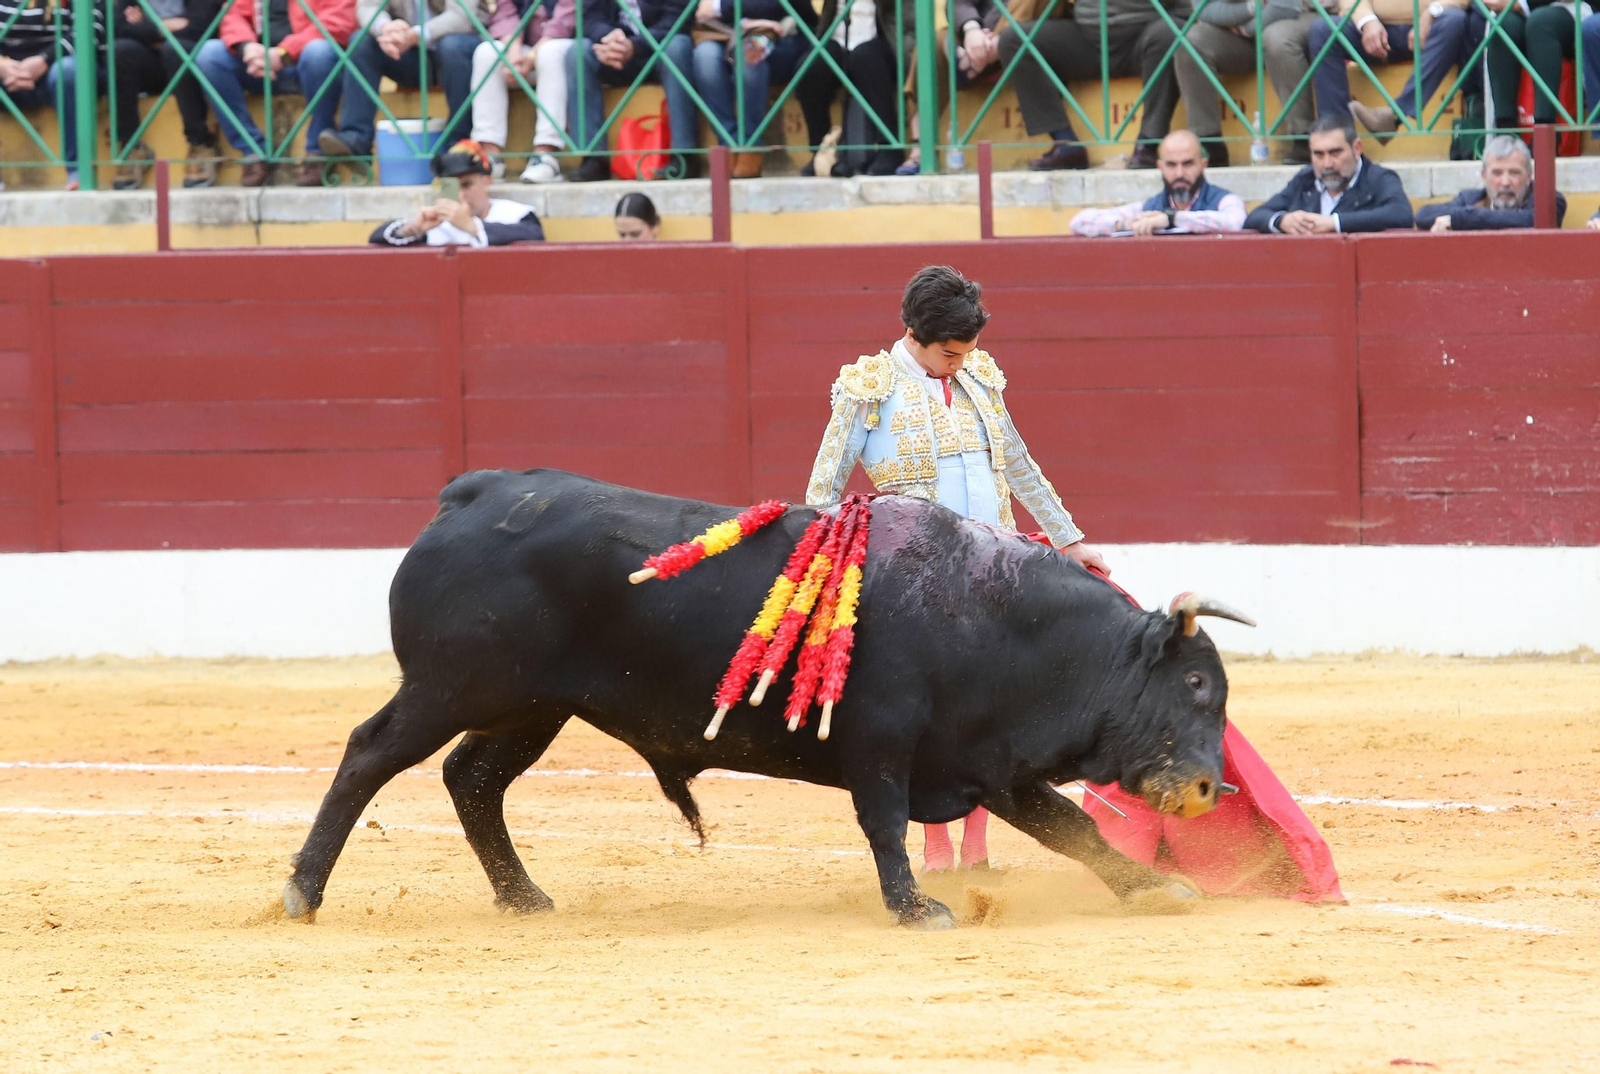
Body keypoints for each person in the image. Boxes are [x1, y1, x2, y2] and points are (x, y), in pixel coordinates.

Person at [805, 266, 1107, 873]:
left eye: (967, 352)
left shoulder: (979, 377)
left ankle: (977, 850)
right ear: (914, 334)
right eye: (950, 353)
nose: (960, 364)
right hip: (917, 579)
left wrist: (1070, 540)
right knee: (931, 716)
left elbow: (1018, 464)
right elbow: (823, 491)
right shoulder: (869, 388)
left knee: (990, 709)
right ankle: (937, 849)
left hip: (995, 568)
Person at [996, 0, 1185, 171]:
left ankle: (1148, 144)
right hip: (1087, 38)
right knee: (1014, 40)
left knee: (1171, 33)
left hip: (1144, 34)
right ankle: (1066, 143)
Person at [196, 0, 355, 187]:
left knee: (319, 52)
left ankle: (318, 153)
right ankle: (253, 151)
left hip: (305, 63)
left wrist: (284, 53)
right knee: (209, 55)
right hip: (257, 65)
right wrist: (246, 47)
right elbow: (233, 14)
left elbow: (336, 21)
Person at [318, 0, 489, 163]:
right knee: (361, 41)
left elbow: (461, 16)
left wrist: (415, 34)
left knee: (452, 46)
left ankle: (460, 147)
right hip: (408, 52)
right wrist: (386, 28)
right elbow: (367, 7)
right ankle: (355, 139)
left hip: (459, 48)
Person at [1172, 0, 1319, 166]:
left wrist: (1247, 29)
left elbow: (1285, 6)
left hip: (1298, 16)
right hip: (1237, 31)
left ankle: (1303, 137)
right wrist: (1251, 8)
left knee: (1277, 38)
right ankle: (1209, 144)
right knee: (1190, 43)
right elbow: (1203, 8)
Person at [1310, 0, 1477, 143]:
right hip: (1377, 29)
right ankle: (1337, 141)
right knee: (1323, 30)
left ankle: (1395, 114)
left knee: (1454, 20)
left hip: (1434, 26)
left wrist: (1431, 12)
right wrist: (1367, 21)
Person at [567, 0, 697, 181]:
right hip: (614, 52)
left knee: (678, 46)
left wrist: (635, 45)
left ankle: (683, 155)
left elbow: (678, 18)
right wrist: (609, 37)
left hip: (658, 48)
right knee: (578, 53)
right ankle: (593, 158)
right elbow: (588, 16)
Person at [793, 0, 907, 176]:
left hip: (882, 39)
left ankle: (889, 148)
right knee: (810, 67)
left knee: (865, 58)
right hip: (837, 37)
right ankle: (821, 150)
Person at [1244, 115, 1414, 232]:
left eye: (1335, 153)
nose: (1327, 164)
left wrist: (1333, 223)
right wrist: (1282, 221)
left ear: (1357, 148)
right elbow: (1255, 217)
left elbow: (1401, 214)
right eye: (1318, 155)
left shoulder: (1378, 178)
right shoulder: (1305, 179)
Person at [469, 0, 576, 183]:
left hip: (559, 45)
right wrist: (514, 54)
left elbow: (566, 18)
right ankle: (490, 155)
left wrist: (532, 56)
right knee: (487, 52)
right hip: (521, 48)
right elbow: (504, 12)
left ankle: (546, 155)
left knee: (550, 53)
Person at [1068, 129, 1247, 236]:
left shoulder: (1225, 200)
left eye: (1187, 164)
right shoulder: (1149, 208)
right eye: (1171, 165)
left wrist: (1171, 218)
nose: (1179, 173)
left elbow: (1236, 222)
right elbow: (1079, 221)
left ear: (1203, 165)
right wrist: (1125, 225)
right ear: (1160, 167)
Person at [896, 0, 1004, 175]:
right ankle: (920, 148)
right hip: (975, 27)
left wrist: (992, 35)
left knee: (1016, 37)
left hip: (1017, 31)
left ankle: (965, 61)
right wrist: (972, 30)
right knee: (930, 43)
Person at [369, 139, 546, 245]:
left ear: (486, 181)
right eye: (452, 187)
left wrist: (472, 226)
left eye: (467, 185)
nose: (461, 196)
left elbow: (534, 235)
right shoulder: (438, 224)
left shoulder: (515, 214)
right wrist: (414, 229)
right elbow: (377, 237)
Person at [690, 0, 789, 178]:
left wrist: (719, 7)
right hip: (713, 30)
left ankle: (751, 145)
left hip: (761, 29)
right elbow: (698, 10)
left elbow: (775, 5)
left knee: (750, 59)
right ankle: (729, 143)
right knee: (705, 59)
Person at [1487, 0, 1594, 137]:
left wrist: (1521, 3)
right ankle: (1505, 130)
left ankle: (1545, 129)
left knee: (1540, 23)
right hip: (1526, 9)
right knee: (1503, 25)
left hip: (1575, 7)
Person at [1415, 135, 1566, 230]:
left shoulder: (1549, 200)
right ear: (1484, 175)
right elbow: (1423, 215)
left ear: (1529, 176)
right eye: (1497, 173)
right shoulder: (1470, 198)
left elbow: (1532, 220)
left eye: (1514, 173)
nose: (1505, 182)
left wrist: (1463, 219)